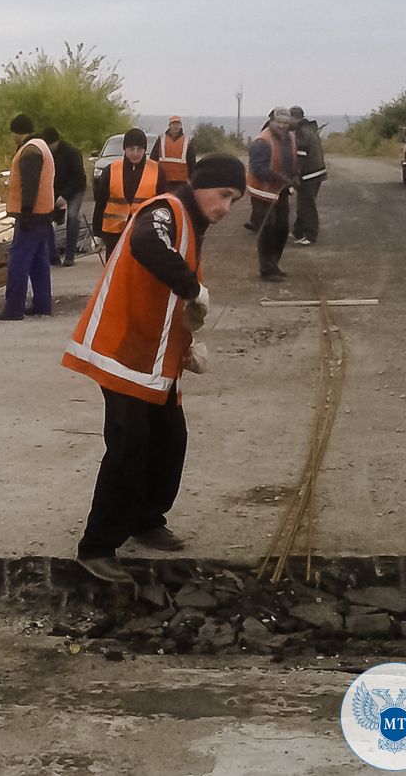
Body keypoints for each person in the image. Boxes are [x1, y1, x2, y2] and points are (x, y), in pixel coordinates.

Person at [62, 155, 247, 582]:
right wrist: (194, 288)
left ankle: (146, 520)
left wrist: (188, 341)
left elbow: (166, 297)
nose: (226, 208)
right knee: (130, 445)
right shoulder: (165, 210)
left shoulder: (190, 223)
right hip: (124, 350)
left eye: (234, 201)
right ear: (203, 185)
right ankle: (97, 547)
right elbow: (146, 244)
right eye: (224, 195)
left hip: (156, 354)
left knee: (170, 440)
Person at [0, 115, 62, 320]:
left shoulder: (29, 151)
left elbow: (29, 185)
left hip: (31, 215)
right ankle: (42, 304)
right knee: (39, 261)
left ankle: (13, 308)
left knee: (19, 261)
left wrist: (26, 212)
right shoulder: (41, 146)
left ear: (16, 132)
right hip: (43, 214)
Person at [91, 128, 164, 260]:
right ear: (124, 149)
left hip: (145, 233)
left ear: (145, 150)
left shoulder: (158, 171)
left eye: (139, 149)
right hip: (114, 234)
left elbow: (163, 206)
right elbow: (101, 202)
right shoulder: (111, 170)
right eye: (131, 148)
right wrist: (97, 233)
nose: (135, 153)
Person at [247, 107, 298, 281]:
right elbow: (258, 168)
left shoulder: (291, 138)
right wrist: (279, 177)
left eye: (286, 123)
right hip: (262, 192)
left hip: (281, 190)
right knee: (267, 230)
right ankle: (267, 269)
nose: (283, 126)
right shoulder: (262, 141)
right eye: (279, 122)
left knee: (282, 229)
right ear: (271, 122)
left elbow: (292, 161)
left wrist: (294, 176)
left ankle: (274, 264)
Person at [40, 127, 87, 267]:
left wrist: (65, 197)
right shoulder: (46, 155)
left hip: (75, 190)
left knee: (72, 217)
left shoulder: (71, 153)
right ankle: (52, 255)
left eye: (49, 145)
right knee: (45, 219)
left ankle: (70, 255)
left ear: (56, 142)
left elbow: (79, 178)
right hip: (56, 191)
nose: (47, 148)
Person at [290, 106, 327, 245]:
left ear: (294, 117)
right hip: (318, 171)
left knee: (307, 205)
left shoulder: (302, 132)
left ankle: (310, 235)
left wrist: (295, 174)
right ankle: (298, 231)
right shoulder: (311, 129)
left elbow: (301, 154)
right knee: (303, 204)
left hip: (309, 174)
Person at [149, 115, 196, 187]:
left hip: (181, 182)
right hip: (163, 180)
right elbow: (153, 159)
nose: (175, 126)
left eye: (177, 124)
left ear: (181, 125)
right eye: (173, 124)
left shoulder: (187, 141)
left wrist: (192, 180)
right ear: (169, 125)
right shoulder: (161, 139)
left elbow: (192, 162)